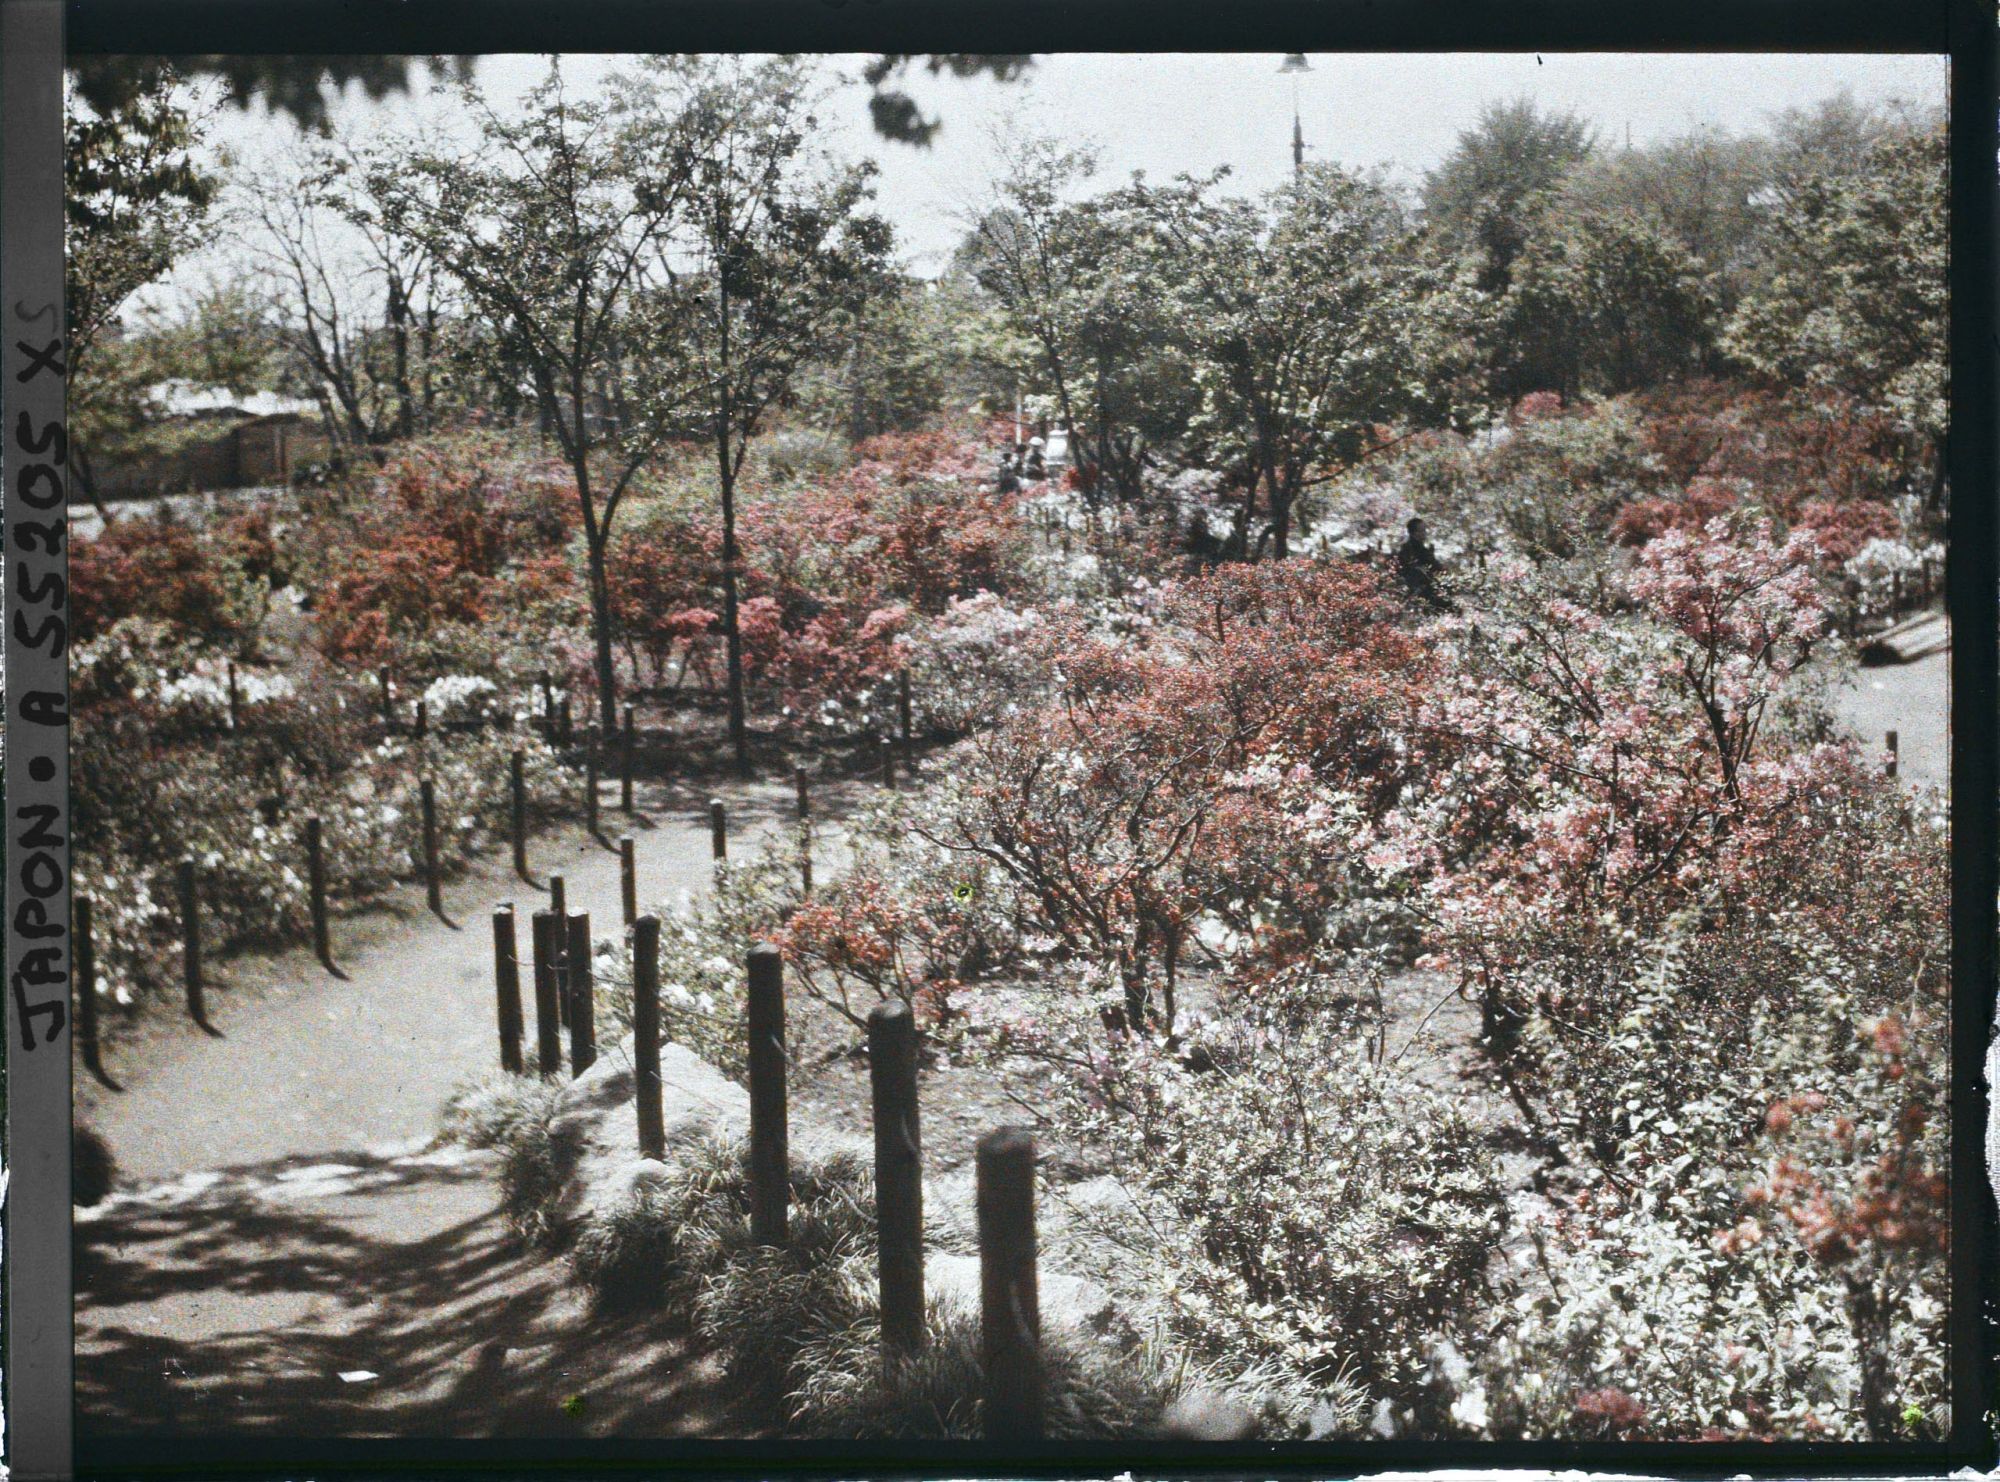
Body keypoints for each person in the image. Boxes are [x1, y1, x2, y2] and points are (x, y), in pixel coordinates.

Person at [1396, 515, 1444, 607]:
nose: (1425, 533)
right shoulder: (1412, 550)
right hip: (1421, 590)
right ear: (1415, 533)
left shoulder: (1418, 548)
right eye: (1423, 530)